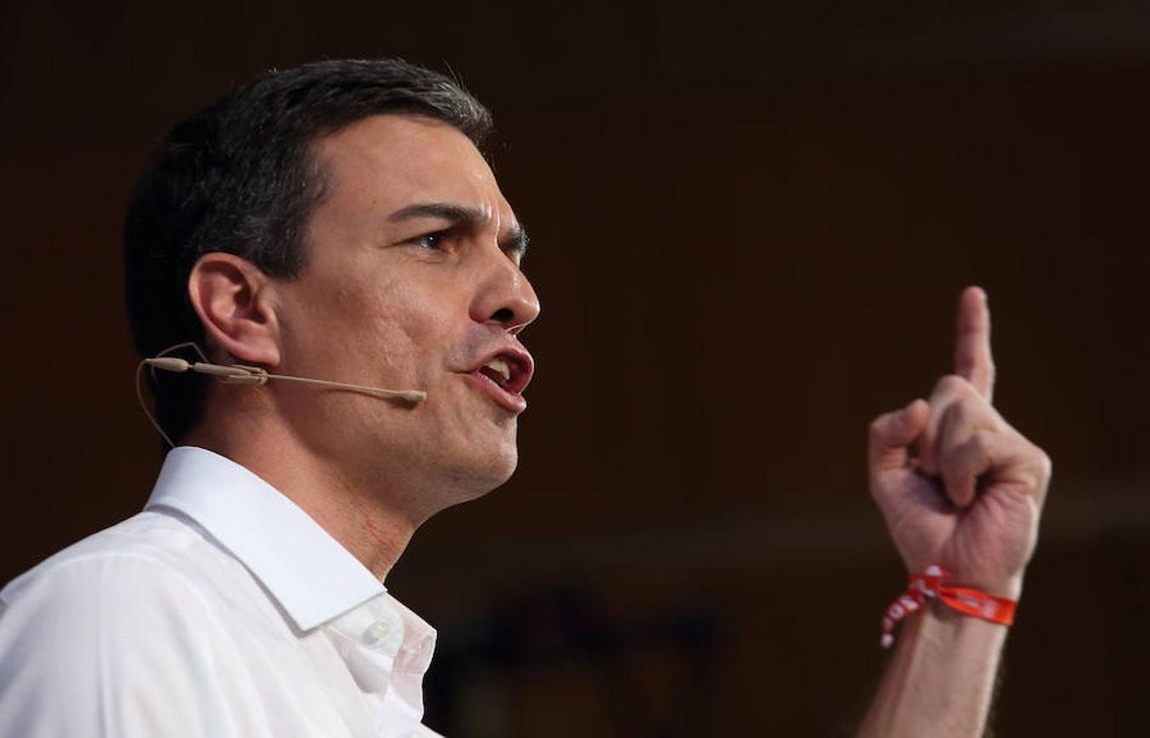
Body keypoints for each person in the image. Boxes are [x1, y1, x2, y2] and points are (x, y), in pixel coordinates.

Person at [0, 59, 1049, 737]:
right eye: (435, 242)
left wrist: (961, 598)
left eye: (509, 251)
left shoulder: (360, 691)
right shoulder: (126, 615)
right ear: (241, 306)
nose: (520, 296)